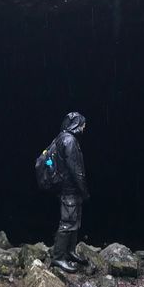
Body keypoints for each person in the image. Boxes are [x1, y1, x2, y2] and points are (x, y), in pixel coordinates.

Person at [50, 112, 89, 274]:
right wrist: (84, 190)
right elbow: (76, 170)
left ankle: (70, 251)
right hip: (70, 189)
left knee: (74, 220)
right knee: (67, 222)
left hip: (67, 188)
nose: (84, 127)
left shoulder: (61, 138)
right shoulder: (69, 140)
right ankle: (58, 257)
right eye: (83, 124)